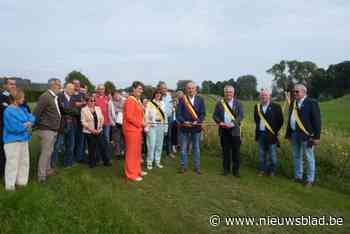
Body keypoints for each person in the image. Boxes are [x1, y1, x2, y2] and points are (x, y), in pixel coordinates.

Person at [286, 84, 321, 188]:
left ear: (304, 92)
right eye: (294, 92)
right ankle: (298, 176)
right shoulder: (293, 103)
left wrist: (317, 137)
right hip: (294, 134)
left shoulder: (312, 103)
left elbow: (317, 121)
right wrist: (288, 134)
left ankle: (310, 180)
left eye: (297, 92)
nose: (294, 93)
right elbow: (290, 119)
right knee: (296, 156)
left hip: (307, 135)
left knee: (309, 157)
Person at [3, 89, 35, 191]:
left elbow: (32, 117)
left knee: (24, 162)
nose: (24, 99)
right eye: (22, 97)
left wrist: (27, 123)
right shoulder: (8, 111)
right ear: (16, 99)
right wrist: (25, 124)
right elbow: (14, 128)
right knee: (12, 164)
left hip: (24, 139)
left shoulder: (22, 108)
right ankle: (10, 186)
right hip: (12, 141)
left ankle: (22, 183)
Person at [33, 78, 62, 182]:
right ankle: (41, 176)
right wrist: (34, 125)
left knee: (50, 151)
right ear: (53, 86)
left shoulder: (53, 97)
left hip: (53, 129)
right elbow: (36, 112)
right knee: (45, 153)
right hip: (46, 129)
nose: (60, 88)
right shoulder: (45, 96)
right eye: (59, 86)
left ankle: (48, 170)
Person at [213, 85, 244, 177]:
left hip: (235, 131)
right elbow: (215, 116)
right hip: (223, 130)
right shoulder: (219, 103)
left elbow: (241, 116)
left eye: (230, 92)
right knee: (225, 151)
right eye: (226, 92)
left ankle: (236, 171)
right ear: (224, 93)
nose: (228, 94)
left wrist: (234, 123)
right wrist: (220, 122)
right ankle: (226, 169)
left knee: (236, 152)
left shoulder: (239, 103)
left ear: (233, 93)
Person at [176, 81, 206, 174]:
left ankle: (197, 167)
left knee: (196, 148)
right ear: (186, 89)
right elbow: (178, 114)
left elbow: (202, 113)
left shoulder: (200, 99)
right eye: (189, 88)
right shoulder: (182, 99)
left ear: (195, 89)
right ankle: (183, 166)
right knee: (183, 148)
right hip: (184, 127)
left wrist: (198, 121)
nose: (191, 90)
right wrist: (184, 121)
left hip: (196, 128)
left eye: (192, 88)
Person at [254, 89, 284, 177]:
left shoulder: (276, 106)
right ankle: (262, 170)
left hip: (271, 135)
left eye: (265, 95)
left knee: (273, 156)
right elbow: (256, 120)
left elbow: (280, 121)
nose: (263, 97)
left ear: (269, 96)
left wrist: (275, 131)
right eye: (262, 95)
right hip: (260, 134)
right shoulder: (257, 107)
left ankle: (272, 171)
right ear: (260, 96)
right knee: (262, 155)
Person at [123, 81, 148, 182]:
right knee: (131, 153)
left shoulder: (137, 100)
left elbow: (139, 113)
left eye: (141, 89)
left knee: (137, 152)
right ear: (133, 89)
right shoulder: (130, 100)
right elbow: (129, 117)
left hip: (137, 129)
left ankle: (137, 170)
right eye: (139, 88)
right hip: (131, 130)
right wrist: (141, 124)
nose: (140, 91)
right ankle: (130, 174)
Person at [81, 94, 112, 168]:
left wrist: (99, 128)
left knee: (103, 146)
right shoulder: (84, 110)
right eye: (91, 101)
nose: (92, 102)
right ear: (87, 102)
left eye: (94, 100)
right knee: (92, 148)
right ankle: (92, 163)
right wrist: (92, 130)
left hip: (99, 131)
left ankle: (106, 161)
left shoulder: (98, 108)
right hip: (89, 132)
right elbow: (83, 122)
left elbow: (102, 118)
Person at [144, 89, 167, 170]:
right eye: (157, 93)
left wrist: (165, 128)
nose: (158, 95)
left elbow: (165, 116)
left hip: (161, 125)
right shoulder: (150, 103)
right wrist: (147, 126)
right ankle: (149, 162)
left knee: (159, 145)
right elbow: (146, 116)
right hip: (152, 126)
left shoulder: (163, 103)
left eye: (160, 94)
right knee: (151, 145)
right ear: (154, 94)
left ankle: (157, 161)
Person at [58, 83, 80, 167]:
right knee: (58, 145)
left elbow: (77, 111)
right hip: (62, 124)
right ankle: (53, 163)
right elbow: (61, 109)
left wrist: (68, 110)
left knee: (71, 145)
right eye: (70, 89)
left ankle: (68, 162)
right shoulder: (59, 97)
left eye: (73, 89)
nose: (72, 91)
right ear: (65, 89)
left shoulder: (74, 98)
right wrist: (72, 110)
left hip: (72, 125)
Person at [157, 81, 175, 158]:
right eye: (163, 88)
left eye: (165, 88)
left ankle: (169, 152)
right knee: (160, 135)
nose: (165, 89)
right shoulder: (157, 96)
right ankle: (159, 152)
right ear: (160, 89)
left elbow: (172, 105)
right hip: (161, 119)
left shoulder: (169, 95)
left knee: (169, 135)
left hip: (169, 117)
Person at [72, 79, 87, 163]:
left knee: (81, 139)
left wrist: (79, 103)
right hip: (72, 119)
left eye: (78, 84)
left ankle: (79, 156)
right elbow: (72, 104)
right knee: (73, 138)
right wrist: (81, 103)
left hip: (81, 119)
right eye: (75, 84)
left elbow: (87, 101)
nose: (77, 85)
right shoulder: (70, 93)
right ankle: (73, 156)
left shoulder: (82, 94)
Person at [109, 90, 125, 158]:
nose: (116, 96)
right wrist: (113, 123)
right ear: (112, 96)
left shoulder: (124, 100)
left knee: (124, 138)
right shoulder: (110, 102)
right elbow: (109, 113)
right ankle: (118, 153)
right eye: (115, 95)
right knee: (116, 138)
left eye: (117, 94)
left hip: (124, 122)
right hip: (115, 123)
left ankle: (123, 151)